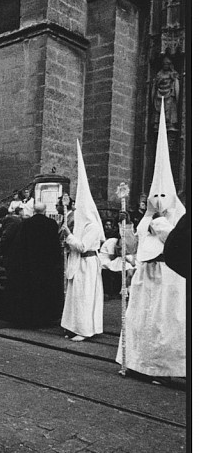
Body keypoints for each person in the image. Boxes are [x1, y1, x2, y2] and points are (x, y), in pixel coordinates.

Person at [118, 102, 185, 379]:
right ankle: (138, 362)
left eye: (162, 195)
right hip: (147, 274)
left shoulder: (179, 215)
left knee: (166, 322)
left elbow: (176, 242)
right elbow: (135, 243)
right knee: (142, 319)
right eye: (153, 196)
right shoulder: (148, 218)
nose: (158, 201)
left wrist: (158, 222)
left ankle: (167, 368)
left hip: (170, 276)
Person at [61, 142, 105, 341]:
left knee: (85, 297)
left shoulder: (93, 227)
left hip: (87, 264)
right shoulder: (81, 225)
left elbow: (83, 246)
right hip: (77, 263)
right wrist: (67, 239)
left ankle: (84, 329)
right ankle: (72, 325)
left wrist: (69, 236)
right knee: (74, 297)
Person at [2, 202, 64, 327]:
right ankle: (45, 317)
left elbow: (20, 244)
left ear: (34, 211)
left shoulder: (25, 223)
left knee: (30, 291)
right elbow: (54, 246)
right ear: (45, 210)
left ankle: (29, 317)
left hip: (29, 264)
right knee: (44, 291)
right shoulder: (51, 224)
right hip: (46, 265)